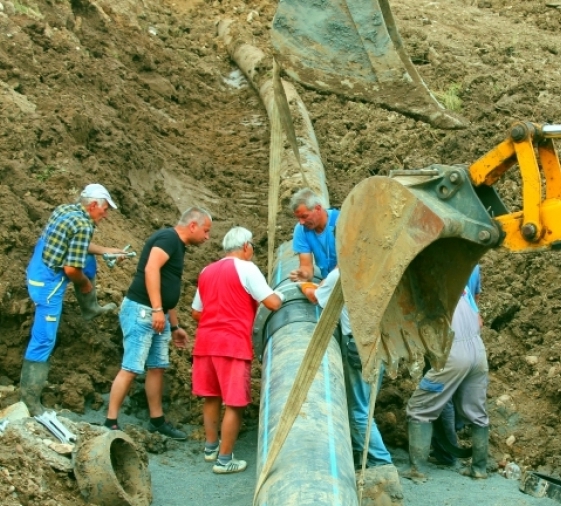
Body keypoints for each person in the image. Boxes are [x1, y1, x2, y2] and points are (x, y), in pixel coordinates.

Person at [104, 206, 212, 438]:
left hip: (157, 314)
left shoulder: (178, 245)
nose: (207, 236)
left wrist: (174, 326)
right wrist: (156, 310)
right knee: (131, 367)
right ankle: (110, 421)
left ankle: (157, 420)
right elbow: (151, 268)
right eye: (206, 230)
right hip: (143, 311)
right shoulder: (168, 238)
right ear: (192, 225)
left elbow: (167, 287)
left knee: (157, 367)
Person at [21, 183, 126, 416]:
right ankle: (30, 399)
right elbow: (70, 269)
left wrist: (106, 250)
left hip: (38, 265)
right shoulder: (83, 225)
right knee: (44, 339)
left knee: (88, 261)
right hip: (46, 283)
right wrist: (86, 285)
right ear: (92, 205)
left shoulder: (65, 210)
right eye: (105, 209)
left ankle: (89, 308)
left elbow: (79, 247)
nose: (106, 214)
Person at [191, 227, 283, 474]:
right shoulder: (247, 268)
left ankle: (211, 448)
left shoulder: (206, 271)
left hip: (205, 343)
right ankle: (224, 460)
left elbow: (196, 312)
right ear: (246, 246)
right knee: (234, 402)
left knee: (211, 396)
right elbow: (272, 303)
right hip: (232, 344)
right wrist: (283, 294)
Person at [300, 268, 396, 471]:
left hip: (360, 347)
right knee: (367, 405)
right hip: (384, 343)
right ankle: (365, 453)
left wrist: (304, 285)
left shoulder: (341, 274)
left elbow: (315, 298)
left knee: (358, 410)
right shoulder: (379, 269)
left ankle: (381, 462)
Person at [405, 285, 489, 482]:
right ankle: (479, 469)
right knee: (477, 413)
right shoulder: (461, 285)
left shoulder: (428, 288)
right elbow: (478, 321)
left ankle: (417, 470)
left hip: (454, 353)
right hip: (478, 352)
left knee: (418, 408)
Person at [430, 265, 482, 467]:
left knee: (440, 397)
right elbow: (475, 300)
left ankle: (447, 452)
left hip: (447, 337)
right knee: (459, 393)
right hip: (468, 336)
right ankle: (477, 462)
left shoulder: (443, 263)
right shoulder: (474, 264)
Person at [288, 188, 339, 281]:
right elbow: (306, 265)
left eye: (304, 216)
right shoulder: (301, 230)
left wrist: (327, 284)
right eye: (298, 218)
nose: (301, 222)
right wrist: (305, 274)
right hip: (329, 280)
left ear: (318, 208)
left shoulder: (340, 223)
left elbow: (347, 263)